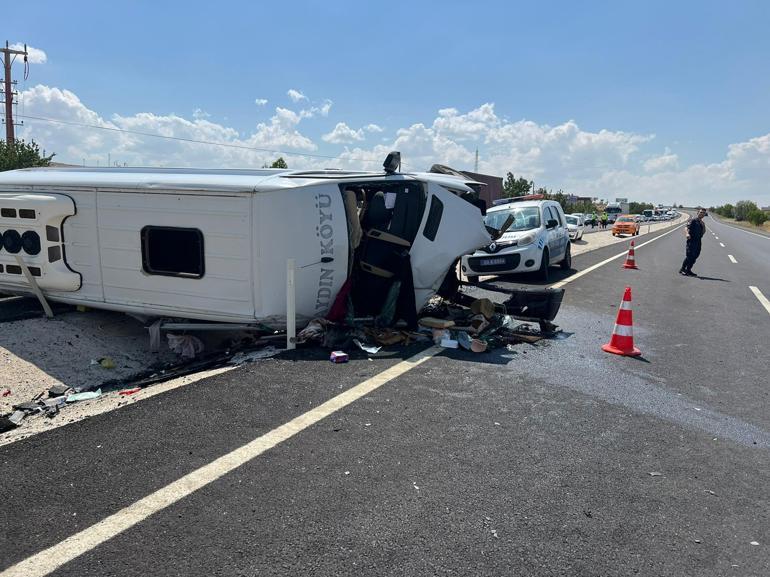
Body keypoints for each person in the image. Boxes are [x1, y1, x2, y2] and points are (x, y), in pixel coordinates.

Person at [679, 207, 707, 276]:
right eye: (701, 212)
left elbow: (703, 231)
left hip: (698, 241)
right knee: (689, 256)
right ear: (697, 213)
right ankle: (682, 269)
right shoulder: (693, 220)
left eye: (703, 213)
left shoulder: (702, 223)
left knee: (695, 256)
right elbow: (686, 227)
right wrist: (687, 234)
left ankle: (688, 270)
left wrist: (703, 230)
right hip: (692, 240)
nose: (702, 214)